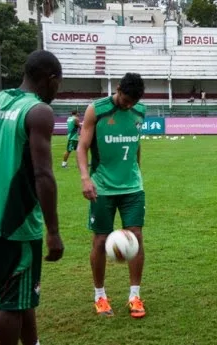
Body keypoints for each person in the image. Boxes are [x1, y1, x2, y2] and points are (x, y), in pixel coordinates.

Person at [0, 50, 64, 345]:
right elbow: (44, 176)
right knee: (10, 301)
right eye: (57, 83)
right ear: (49, 79)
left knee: (22, 292)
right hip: (17, 222)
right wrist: (53, 232)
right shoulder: (38, 112)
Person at [77, 72, 148, 319]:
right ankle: (100, 296)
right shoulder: (96, 110)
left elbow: (136, 145)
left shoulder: (140, 112)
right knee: (99, 240)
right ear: (118, 88)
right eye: (126, 99)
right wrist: (85, 178)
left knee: (137, 237)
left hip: (132, 188)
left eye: (133, 102)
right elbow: (82, 146)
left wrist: (136, 172)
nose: (128, 105)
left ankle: (135, 296)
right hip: (102, 188)